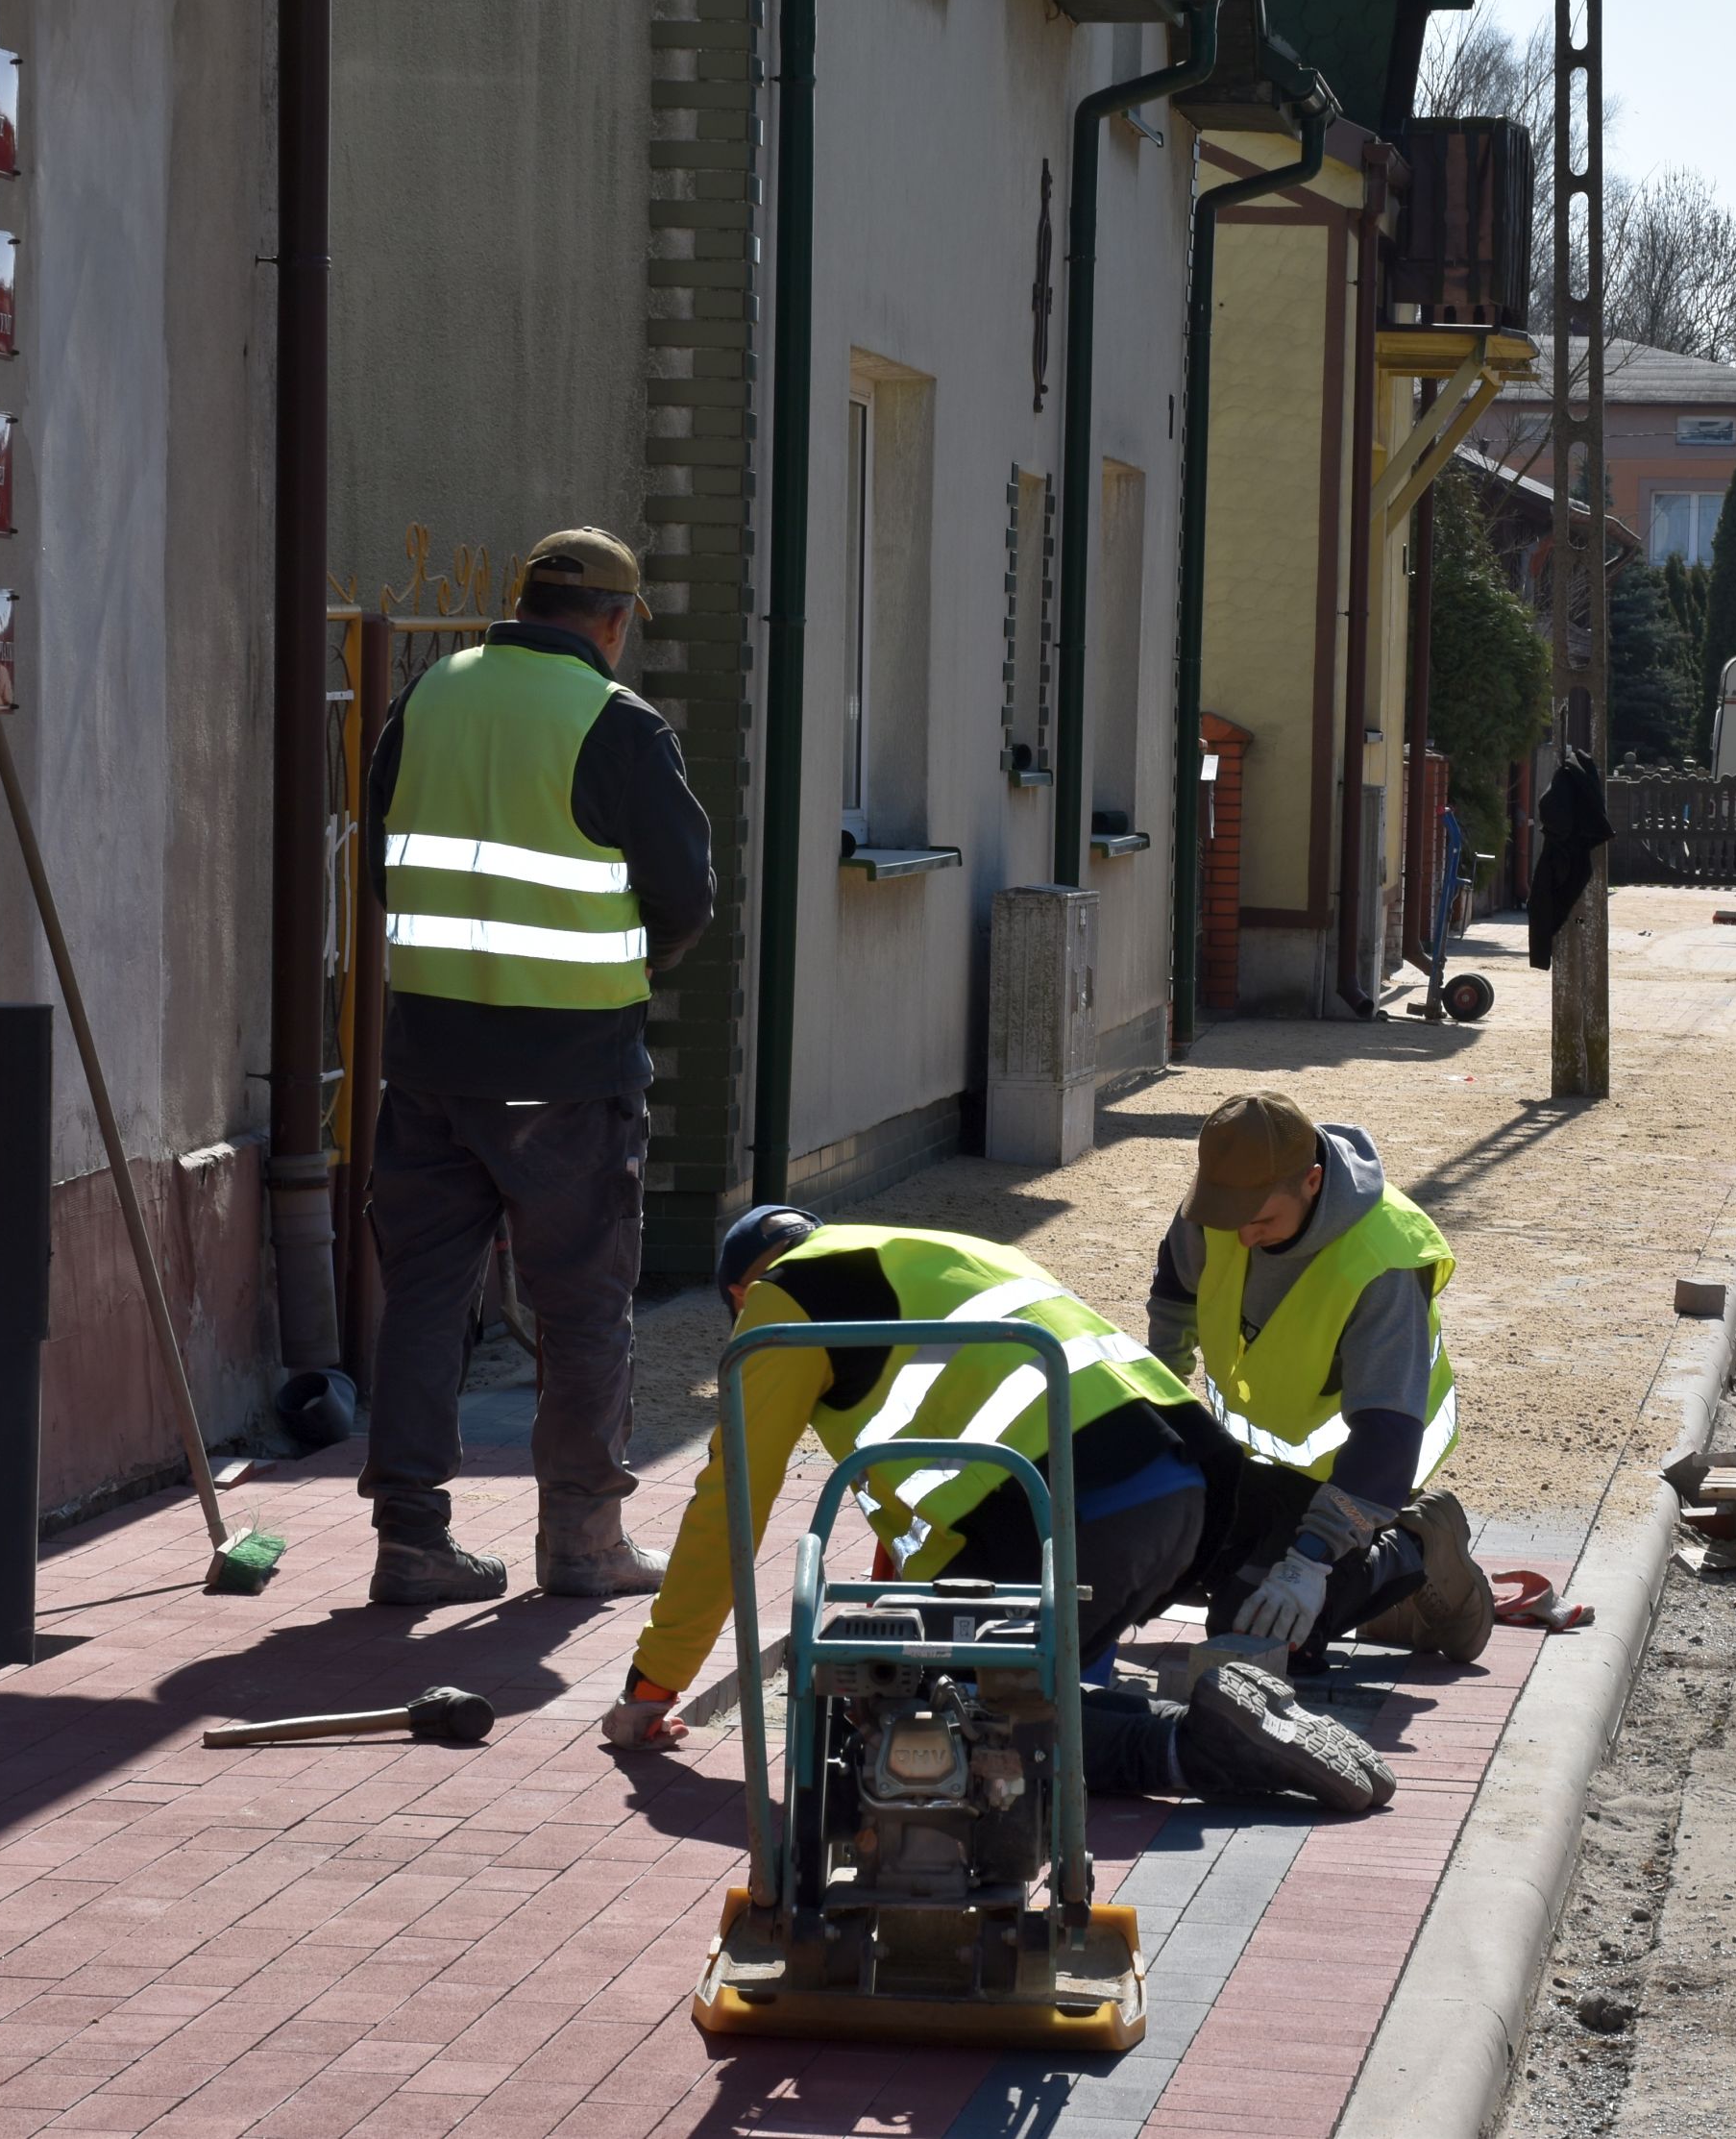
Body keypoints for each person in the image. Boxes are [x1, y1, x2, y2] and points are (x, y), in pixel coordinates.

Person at [599, 1207, 1395, 1815]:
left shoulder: (783, 1301)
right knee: (979, 1669)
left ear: (742, 1292)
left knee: (929, 1731)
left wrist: (655, 1685)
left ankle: (1190, 1745)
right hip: (1177, 1490)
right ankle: (1218, 1708)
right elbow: (931, 1499)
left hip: (1073, 1511)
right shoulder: (944, 1252)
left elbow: (729, 1508)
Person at [357, 529, 714, 1607]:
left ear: (521, 603)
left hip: (428, 1059)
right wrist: (614, 962)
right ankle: (583, 1539)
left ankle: (411, 1542)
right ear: (612, 622)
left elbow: (383, 859)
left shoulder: (429, 697)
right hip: (567, 1070)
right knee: (581, 1305)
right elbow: (686, 899)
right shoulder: (617, 724)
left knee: (423, 1298)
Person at [1148, 1092, 1495, 1668]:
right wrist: (1159, 1427)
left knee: (1258, 1627)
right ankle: (1364, 1591)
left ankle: (1416, 1548)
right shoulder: (1225, 1204)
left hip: (1358, 1482)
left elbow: (1385, 1441)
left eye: (1261, 1220)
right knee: (1145, 1552)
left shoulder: (1380, 1261)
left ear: (1311, 1183)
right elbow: (1176, 1300)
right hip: (1253, 1465)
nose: (1242, 1237)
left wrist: (1307, 1563)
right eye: (1229, 1219)